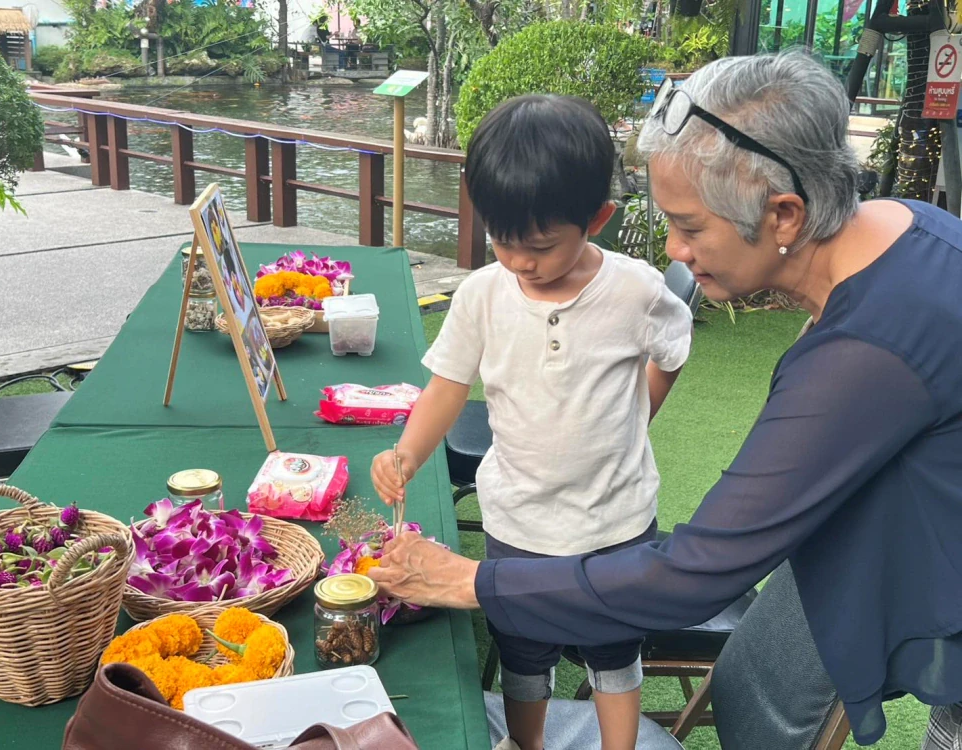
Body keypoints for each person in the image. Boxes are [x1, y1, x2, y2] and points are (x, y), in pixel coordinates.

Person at [368, 51, 962, 749]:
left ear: (785, 214)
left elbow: (695, 572)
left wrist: (475, 583)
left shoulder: (870, 351)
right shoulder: (908, 227)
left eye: (690, 226)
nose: (676, 252)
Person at [370, 94, 693, 750]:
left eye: (541, 247)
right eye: (502, 240)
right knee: (523, 658)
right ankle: (526, 744)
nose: (519, 261)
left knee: (613, 654)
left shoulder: (634, 290)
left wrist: (641, 413)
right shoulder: (482, 294)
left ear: (596, 219)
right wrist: (406, 451)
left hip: (616, 522)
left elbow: (673, 349)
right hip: (518, 519)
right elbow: (447, 386)